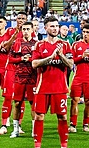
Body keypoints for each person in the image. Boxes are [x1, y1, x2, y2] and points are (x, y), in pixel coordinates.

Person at [31, 16, 74, 148]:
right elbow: (34, 64)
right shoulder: (39, 45)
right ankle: (37, 145)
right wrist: (50, 57)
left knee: (62, 117)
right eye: (52, 26)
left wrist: (60, 55)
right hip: (42, 87)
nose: (55, 29)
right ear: (46, 28)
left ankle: (63, 145)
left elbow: (71, 64)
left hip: (60, 88)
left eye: (56, 26)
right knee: (39, 117)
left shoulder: (65, 45)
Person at [0, 11, 27, 135]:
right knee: (8, 97)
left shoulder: (30, 32)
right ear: (16, 19)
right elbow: (5, 48)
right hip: (11, 68)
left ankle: (18, 126)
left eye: (23, 18)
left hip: (24, 70)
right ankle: (4, 125)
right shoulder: (9, 31)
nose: (21, 20)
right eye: (19, 18)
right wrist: (15, 36)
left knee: (21, 99)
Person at [7, 22, 37, 138]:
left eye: (27, 29)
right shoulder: (16, 43)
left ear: (32, 30)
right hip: (19, 77)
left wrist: (29, 59)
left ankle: (34, 130)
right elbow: (10, 59)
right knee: (17, 103)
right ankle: (16, 129)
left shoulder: (37, 44)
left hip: (32, 78)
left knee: (33, 104)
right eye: (23, 29)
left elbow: (39, 59)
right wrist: (21, 58)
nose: (25, 31)